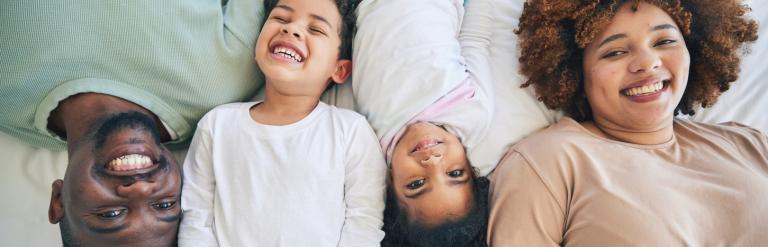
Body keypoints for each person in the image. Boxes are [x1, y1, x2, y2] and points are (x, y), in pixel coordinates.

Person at [488, 0, 768, 246]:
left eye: (664, 42)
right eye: (615, 52)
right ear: (575, 71)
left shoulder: (750, 144)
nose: (647, 63)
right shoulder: (547, 162)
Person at [1, 0, 264, 245]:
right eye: (164, 205)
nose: (140, 188)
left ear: (58, 200)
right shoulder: (225, 79)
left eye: (111, 213)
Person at [177, 0, 387, 246]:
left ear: (339, 70)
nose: (292, 29)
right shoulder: (217, 125)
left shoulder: (349, 130)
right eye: (281, 19)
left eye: (316, 29)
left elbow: (364, 222)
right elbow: (196, 219)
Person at [352, 0, 495, 245]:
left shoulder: (368, 139)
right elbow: (474, 40)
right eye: (455, 173)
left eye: (416, 183)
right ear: (471, 168)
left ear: (389, 182)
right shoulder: (472, 114)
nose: (432, 163)